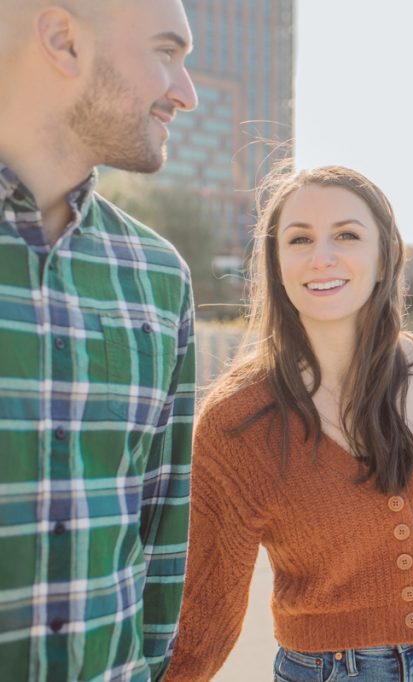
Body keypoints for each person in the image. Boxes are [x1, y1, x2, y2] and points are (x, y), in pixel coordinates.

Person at [164, 165, 413, 681]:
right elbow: (206, 600)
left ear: (385, 257)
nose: (322, 257)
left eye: (347, 235)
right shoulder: (238, 422)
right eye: (300, 239)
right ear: (277, 264)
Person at [0, 0, 199, 680]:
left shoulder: (160, 276)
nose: (187, 93)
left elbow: (163, 523)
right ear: (63, 40)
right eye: (167, 52)